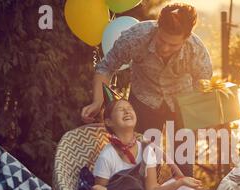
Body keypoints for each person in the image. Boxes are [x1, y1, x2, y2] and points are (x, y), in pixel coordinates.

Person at [81, 3, 213, 177]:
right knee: (144, 165)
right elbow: (105, 68)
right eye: (162, 40)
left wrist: (198, 110)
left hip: (183, 103)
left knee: (184, 165)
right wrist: (98, 102)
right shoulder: (136, 37)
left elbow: (203, 83)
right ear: (158, 26)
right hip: (144, 100)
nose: (165, 48)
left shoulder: (196, 50)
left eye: (173, 45)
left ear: (186, 38)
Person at [91, 83, 209, 190]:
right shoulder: (107, 155)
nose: (127, 111)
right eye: (120, 109)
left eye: (129, 108)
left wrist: (180, 182)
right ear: (108, 121)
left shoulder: (147, 149)